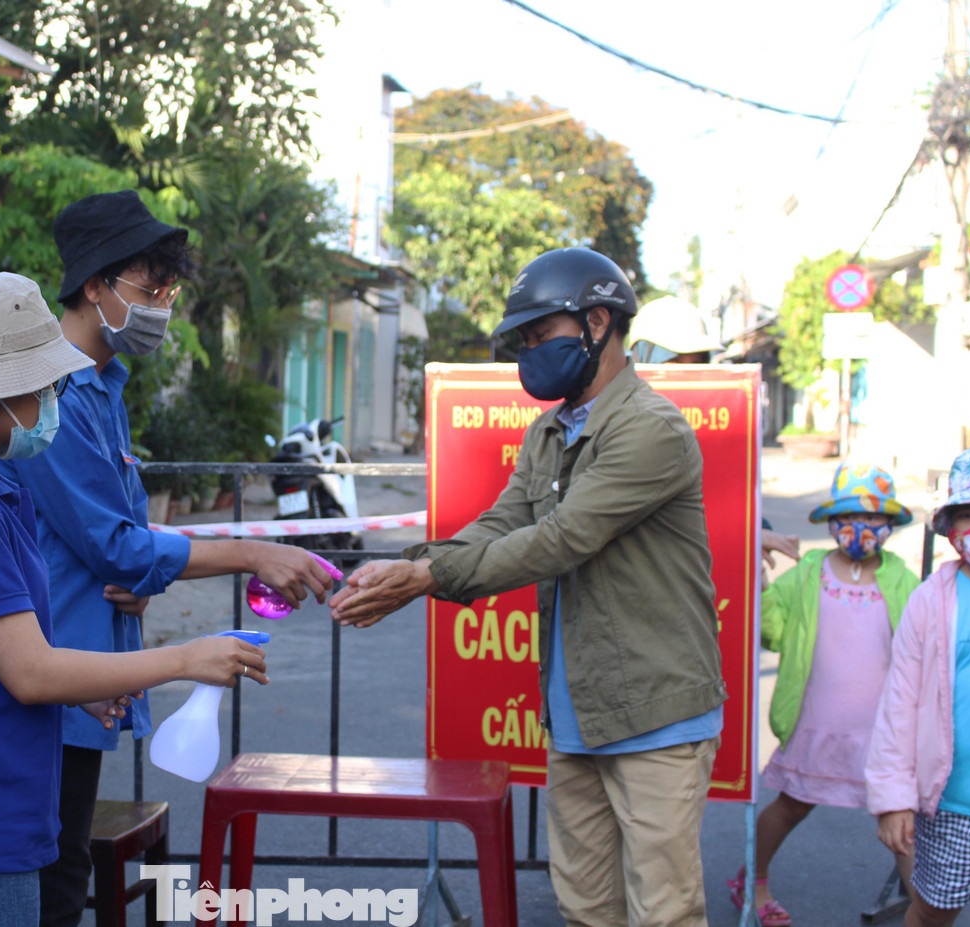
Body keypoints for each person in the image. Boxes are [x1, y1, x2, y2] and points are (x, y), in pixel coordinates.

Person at [0, 271, 270, 927]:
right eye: (45, 380)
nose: (55, 394)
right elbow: (30, 670)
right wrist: (186, 659)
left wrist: (79, 688)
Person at [330, 247, 726, 927]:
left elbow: (563, 537)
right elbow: (503, 520)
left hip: (657, 713)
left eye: (541, 337)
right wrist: (410, 565)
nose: (530, 355)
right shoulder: (549, 431)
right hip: (579, 712)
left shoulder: (649, 429)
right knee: (585, 907)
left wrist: (426, 577)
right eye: (525, 342)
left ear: (597, 322)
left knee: (663, 911)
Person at [0, 190, 336, 927]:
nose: (164, 305)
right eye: (152, 289)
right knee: (50, 871)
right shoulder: (54, 394)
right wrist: (249, 550)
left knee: (62, 857)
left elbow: (116, 540)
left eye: (170, 290)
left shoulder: (104, 388)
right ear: (95, 285)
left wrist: (138, 573)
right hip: (52, 671)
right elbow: (113, 542)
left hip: (92, 668)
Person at [732, 463, 919, 926]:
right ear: (832, 522)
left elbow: (923, 646)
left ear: (890, 525)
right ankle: (752, 880)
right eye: (850, 516)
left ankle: (927, 911)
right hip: (816, 725)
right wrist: (759, 580)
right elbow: (770, 631)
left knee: (899, 823)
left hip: (881, 733)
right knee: (792, 807)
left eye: (874, 519)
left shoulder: (902, 580)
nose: (862, 528)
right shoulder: (809, 573)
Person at [867, 447, 970, 927]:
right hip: (954, 802)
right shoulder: (930, 602)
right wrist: (893, 798)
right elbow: (900, 704)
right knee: (931, 910)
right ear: (949, 526)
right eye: (968, 515)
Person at [629, 294, 802, 566]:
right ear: (643, 359)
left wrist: (756, 532)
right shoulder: (611, 422)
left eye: (696, 363)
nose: (687, 375)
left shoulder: (720, 423)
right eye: (674, 362)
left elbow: (727, 494)